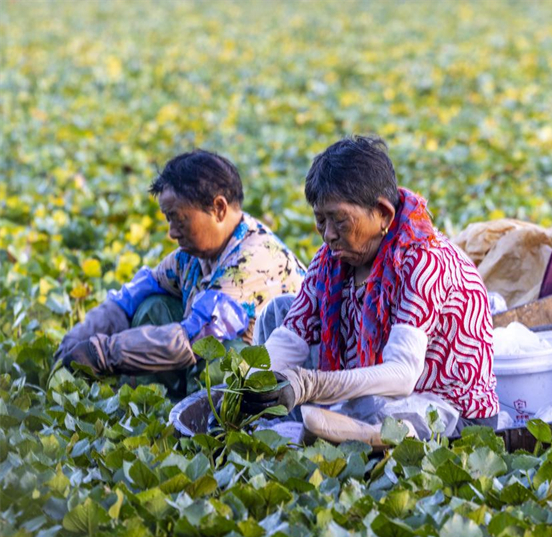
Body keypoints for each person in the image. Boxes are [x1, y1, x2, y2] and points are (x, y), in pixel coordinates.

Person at [254, 136, 499, 433]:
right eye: (321, 221)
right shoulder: (329, 259)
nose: (328, 234)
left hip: (444, 409)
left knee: (372, 409)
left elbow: (402, 375)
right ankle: (330, 424)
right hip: (370, 392)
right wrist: (250, 386)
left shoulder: (424, 260)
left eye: (339, 221)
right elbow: (290, 338)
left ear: (383, 214)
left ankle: (344, 429)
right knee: (277, 313)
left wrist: (311, 384)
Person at [55, 150, 306, 394]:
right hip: (207, 353)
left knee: (223, 354)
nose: (172, 232)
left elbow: (194, 339)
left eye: (178, 219)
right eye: (168, 219)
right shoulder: (191, 257)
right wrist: (77, 339)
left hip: (281, 385)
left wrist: (103, 353)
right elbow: (129, 298)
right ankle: (153, 402)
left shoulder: (254, 259)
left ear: (218, 208)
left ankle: (208, 424)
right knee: (152, 307)